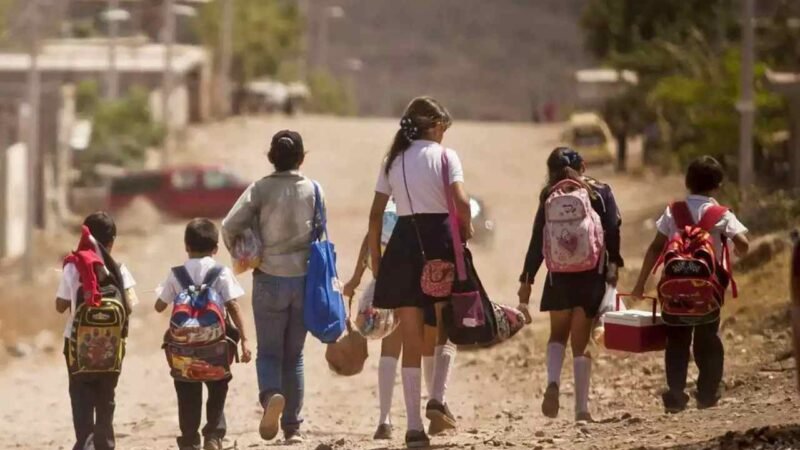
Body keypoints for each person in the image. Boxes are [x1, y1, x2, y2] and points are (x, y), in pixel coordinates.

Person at [367, 96, 472, 448]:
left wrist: (376, 260)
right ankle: (437, 398)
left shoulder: (393, 159)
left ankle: (413, 427)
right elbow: (459, 202)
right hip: (440, 243)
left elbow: (376, 214)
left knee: (409, 338)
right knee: (444, 325)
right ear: (436, 125)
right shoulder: (446, 156)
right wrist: (466, 227)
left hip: (402, 246)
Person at [222, 130, 324, 444]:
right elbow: (321, 235)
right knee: (294, 356)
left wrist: (245, 253)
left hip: (268, 277)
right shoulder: (314, 190)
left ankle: (270, 398)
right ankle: (293, 428)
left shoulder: (260, 189)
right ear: (302, 157)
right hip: (304, 279)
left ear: (271, 157)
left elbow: (228, 226)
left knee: (269, 353)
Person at [632, 156, 749, 413]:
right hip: (708, 291)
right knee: (708, 339)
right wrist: (735, 250)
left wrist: (641, 284)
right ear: (717, 185)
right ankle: (707, 393)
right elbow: (743, 244)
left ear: (687, 183)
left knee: (676, 341)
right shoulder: (721, 214)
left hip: (674, 293)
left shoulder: (673, 211)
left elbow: (655, 248)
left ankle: (675, 392)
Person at [517, 147, 623, 422]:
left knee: (557, 336)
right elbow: (612, 230)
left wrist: (526, 280)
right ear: (584, 166)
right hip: (591, 277)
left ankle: (553, 382)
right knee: (581, 344)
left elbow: (536, 243)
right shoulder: (600, 192)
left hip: (558, 278)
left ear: (550, 172)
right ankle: (581, 409)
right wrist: (613, 269)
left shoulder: (549, 196)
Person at [343, 200, 458, 441]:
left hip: (390, 281)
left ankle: (384, 420)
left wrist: (356, 278)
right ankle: (437, 404)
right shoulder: (423, 208)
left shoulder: (387, 210)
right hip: (422, 281)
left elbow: (369, 240)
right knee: (426, 342)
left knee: (391, 347)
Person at [155, 218, 252, 450]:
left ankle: (189, 440)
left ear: (186, 246)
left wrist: (165, 291)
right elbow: (233, 306)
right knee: (218, 385)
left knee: (186, 389)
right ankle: (213, 436)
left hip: (183, 350)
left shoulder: (176, 273)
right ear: (216, 249)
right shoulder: (221, 272)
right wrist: (245, 340)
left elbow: (159, 306)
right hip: (215, 348)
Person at [56, 211, 138, 450]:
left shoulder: (74, 267)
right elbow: (129, 307)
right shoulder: (120, 270)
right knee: (106, 397)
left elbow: (61, 305)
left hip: (76, 346)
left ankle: (85, 441)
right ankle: (104, 443)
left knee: (80, 395)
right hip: (112, 347)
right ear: (112, 241)